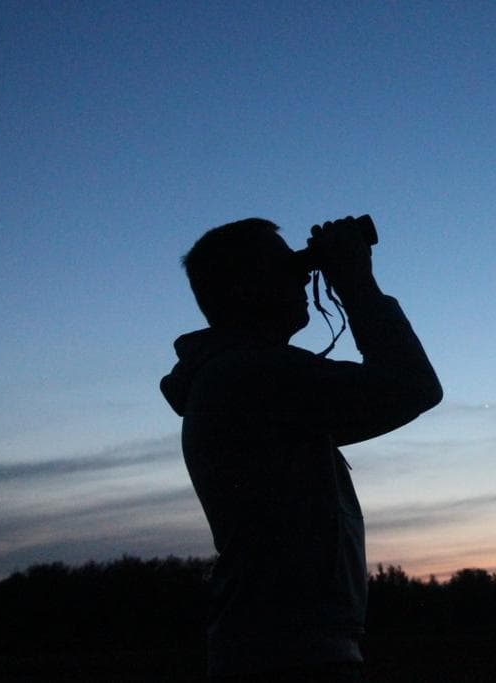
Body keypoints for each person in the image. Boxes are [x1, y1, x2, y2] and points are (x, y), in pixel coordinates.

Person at [160, 216, 442, 681]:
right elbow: (412, 387)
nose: (303, 273)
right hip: (292, 655)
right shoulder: (252, 374)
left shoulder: (245, 379)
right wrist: (356, 284)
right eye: (284, 264)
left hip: (278, 646)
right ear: (246, 288)